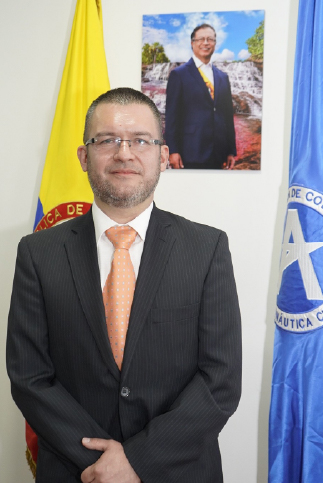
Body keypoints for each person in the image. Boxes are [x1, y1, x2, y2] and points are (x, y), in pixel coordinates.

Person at [7, 87, 242, 483]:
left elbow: (220, 379)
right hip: (75, 469)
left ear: (163, 156)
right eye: (107, 140)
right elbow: (29, 377)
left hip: (178, 469)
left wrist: (137, 460)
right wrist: (102, 464)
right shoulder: (38, 252)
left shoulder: (207, 248)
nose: (124, 153)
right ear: (84, 157)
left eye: (140, 140)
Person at [165, 24, 237, 170]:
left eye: (210, 39)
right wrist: (173, 151)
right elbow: (171, 116)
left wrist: (231, 150)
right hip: (190, 152)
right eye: (201, 39)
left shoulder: (223, 77)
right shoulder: (179, 74)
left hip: (219, 153)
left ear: (215, 44)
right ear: (193, 43)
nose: (205, 43)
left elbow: (228, 116)